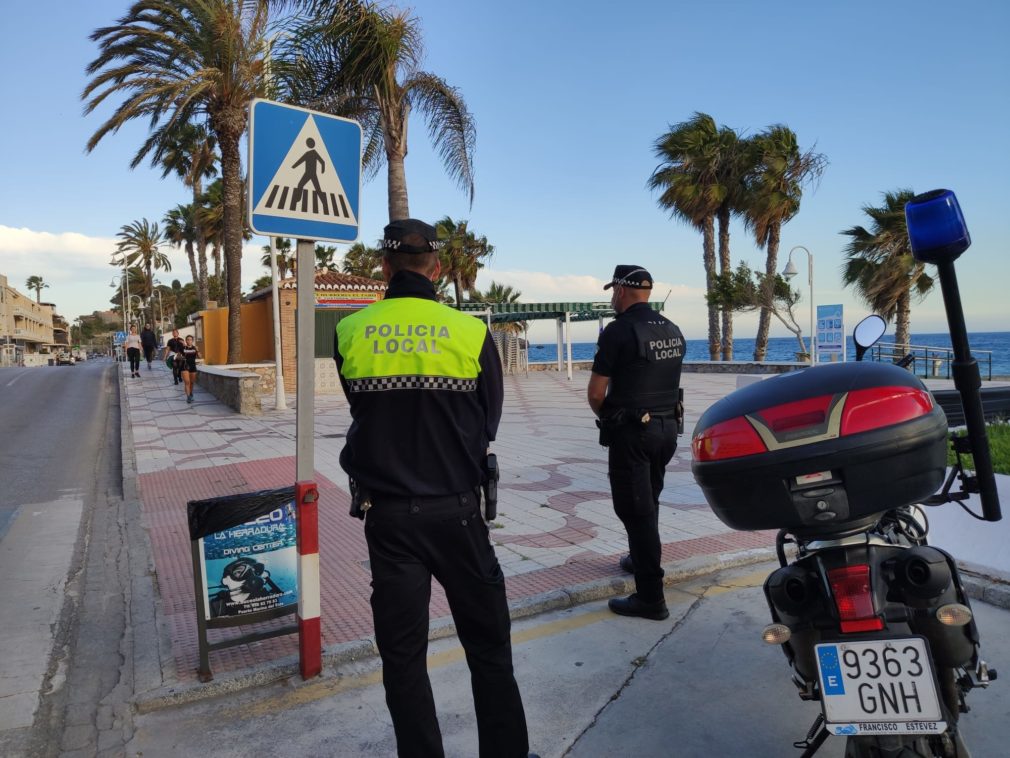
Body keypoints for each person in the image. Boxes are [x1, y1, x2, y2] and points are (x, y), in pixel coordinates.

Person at [334, 219, 535, 758]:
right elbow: (487, 420)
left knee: (402, 658)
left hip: (389, 519)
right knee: (489, 646)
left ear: (384, 266)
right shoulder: (470, 333)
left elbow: (362, 408)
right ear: (438, 269)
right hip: (458, 514)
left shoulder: (352, 330)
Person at [587, 265, 685, 621]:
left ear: (622, 291)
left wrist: (609, 418)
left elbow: (597, 393)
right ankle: (639, 558)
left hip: (633, 434)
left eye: (613, 291)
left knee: (635, 509)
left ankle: (650, 597)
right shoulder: (672, 329)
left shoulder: (619, 331)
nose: (613, 297)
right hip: (668, 430)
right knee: (649, 500)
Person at [179, 335, 200, 404]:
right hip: (184, 366)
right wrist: (181, 358)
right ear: (186, 340)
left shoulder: (194, 348)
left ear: (192, 341)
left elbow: (200, 356)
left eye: (190, 339)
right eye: (187, 339)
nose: (189, 341)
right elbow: (178, 356)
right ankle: (188, 397)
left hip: (193, 366)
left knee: (191, 382)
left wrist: (197, 350)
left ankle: (191, 393)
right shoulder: (183, 348)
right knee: (187, 382)